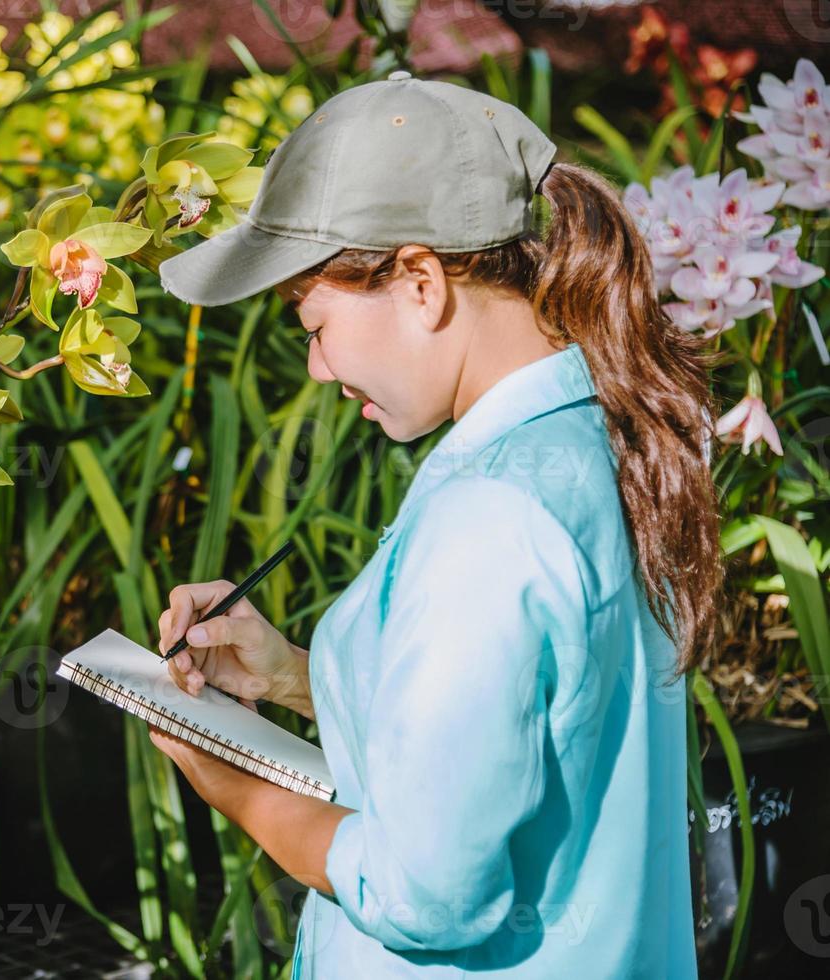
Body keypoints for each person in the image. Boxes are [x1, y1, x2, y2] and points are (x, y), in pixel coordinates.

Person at [149, 70, 722, 978]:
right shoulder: (591, 440)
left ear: (421, 282)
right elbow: (518, 735)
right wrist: (297, 677)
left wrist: (239, 786)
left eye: (315, 323)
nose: (315, 368)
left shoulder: (488, 520)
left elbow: (428, 895)